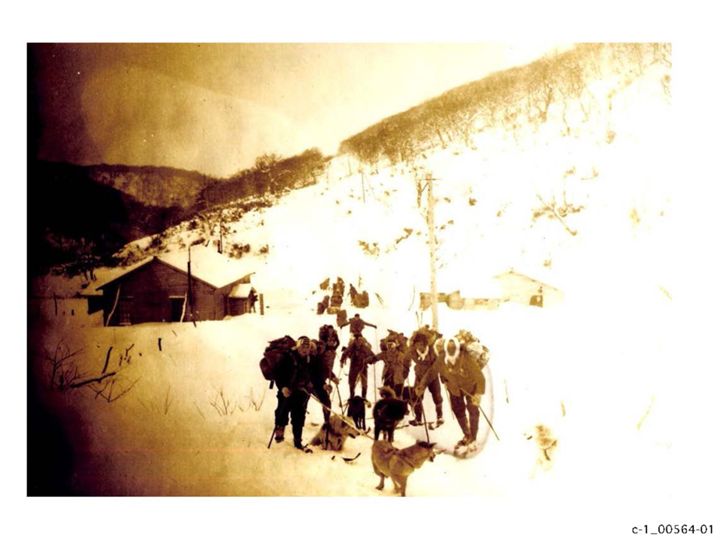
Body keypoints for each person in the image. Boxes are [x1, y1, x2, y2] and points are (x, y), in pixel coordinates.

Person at [438, 337, 486, 452]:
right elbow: (441, 368)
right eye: (448, 348)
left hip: (471, 388)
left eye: (453, 348)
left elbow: (480, 378)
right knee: (458, 410)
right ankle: (467, 434)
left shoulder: (466, 358)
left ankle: (473, 438)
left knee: (473, 410)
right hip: (454, 389)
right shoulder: (443, 358)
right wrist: (443, 377)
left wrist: (478, 394)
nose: (450, 350)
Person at [273, 336, 314, 450]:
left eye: (307, 347)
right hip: (287, 391)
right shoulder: (288, 357)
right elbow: (278, 374)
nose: (305, 350)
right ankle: (279, 434)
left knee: (299, 416)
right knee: (282, 412)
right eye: (303, 347)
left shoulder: (309, 359)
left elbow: (314, 375)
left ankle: (297, 441)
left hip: (301, 393)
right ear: (298, 347)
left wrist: (310, 385)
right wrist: (283, 387)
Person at [408, 331, 444, 427]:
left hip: (432, 376)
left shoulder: (433, 351)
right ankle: (418, 418)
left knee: (437, 396)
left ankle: (440, 417)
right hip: (419, 376)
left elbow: (437, 366)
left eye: (420, 344)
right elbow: (406, 360)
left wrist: (443, 375)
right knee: (416, 396)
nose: (418, 347)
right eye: (416, 344)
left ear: (425, 344)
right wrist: (404, 371)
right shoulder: (412, 351)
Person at [309, 338, 339, 425]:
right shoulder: (307, 359)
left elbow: (325, 369)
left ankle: (327, 422)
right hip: (306, 384)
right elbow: (312, 375)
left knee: (326, 402)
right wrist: (323, 384)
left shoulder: (318, 358)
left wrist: (333, 377)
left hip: (317, 384)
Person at [340, 334, 374, 399]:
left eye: (360, 340)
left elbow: (372, 355)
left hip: (363, 366)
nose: (358, 342)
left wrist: (371, 360)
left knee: (364, 382)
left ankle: (364, 397)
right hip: (354, 366)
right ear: (355, 340)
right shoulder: (352, 346)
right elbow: (345, 353)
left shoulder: (364, 347)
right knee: (351, 381)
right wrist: (342, 361)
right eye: (357, 340)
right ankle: (351, 395)